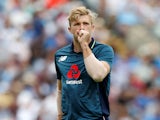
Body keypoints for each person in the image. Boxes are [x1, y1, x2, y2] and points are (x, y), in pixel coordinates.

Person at [54, 6, 114, 120]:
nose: (81, 28)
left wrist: (84, 45)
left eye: (85, 23)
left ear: (92, 27)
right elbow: (60, 90)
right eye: (76, 24)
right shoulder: (60, 55)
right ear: (69, 29)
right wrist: (60, 115)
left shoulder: (104, 50)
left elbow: (98, 75)